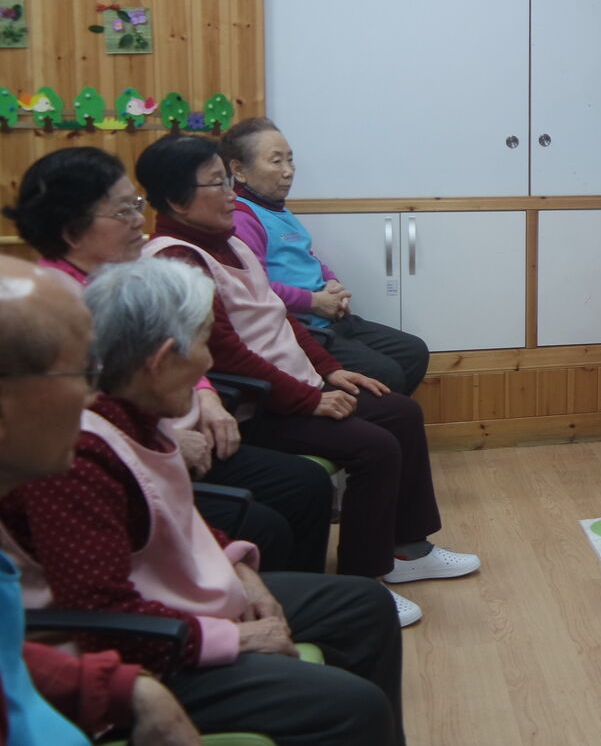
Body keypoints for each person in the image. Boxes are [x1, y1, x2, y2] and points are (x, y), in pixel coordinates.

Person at [0, 258, 406, 745]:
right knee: (353, 707)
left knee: (362, 605)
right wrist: (232, 638)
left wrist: (240, 570)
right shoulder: (77, 456)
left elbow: (176, 517)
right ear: (161, 361)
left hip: (180, 605)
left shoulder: (136, 419)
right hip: (145, 652)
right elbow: (102, 618)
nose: (209, 365)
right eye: (201, 345)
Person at [135, 134, 477, 627]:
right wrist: (309, 399)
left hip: (297, 386)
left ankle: (409, 549)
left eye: (228, 182)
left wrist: (330, 368)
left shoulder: (230, 241)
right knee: (375, 448)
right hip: (257, 404)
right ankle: (364, 578)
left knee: (400, 412)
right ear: (175, 200)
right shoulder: (176, 259)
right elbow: (225, 354)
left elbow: (280, 316)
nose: (231, 194)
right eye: (216, 184)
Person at [3, 147, 332, 575]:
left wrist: (207, 396)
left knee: (306, 484)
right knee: (267, 525)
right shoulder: (56, 309)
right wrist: (171, 440)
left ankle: (299, 599)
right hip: (143, 455)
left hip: (184, 433)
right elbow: (86, 421)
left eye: (136, 205)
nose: (138, 220)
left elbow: (176, 349)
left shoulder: (124, 277)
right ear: (72, 230)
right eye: (123, 211)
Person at [0, 257, 200, 746]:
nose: (91, 398)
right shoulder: (76, 463)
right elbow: (98, 604)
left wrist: (125, 689)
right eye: (81, 373)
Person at [221, 118, 430, 396]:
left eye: (290, 160)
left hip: (330, 319)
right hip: (302, 330)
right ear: (239, 170)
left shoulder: (278, 210)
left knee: (413, 352)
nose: (288, 171)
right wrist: (315, 301)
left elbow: (308, 257)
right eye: (276, 161)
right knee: (386, 373)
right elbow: (256, 289)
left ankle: (385, 414)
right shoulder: (242, 217)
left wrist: (333, 284)